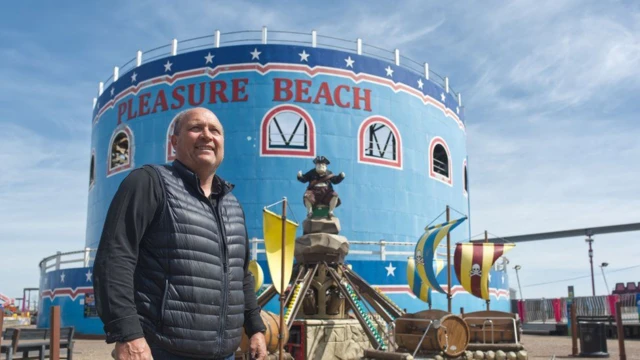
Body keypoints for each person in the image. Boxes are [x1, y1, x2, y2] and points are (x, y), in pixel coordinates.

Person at [93, 107, 267, 360]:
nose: (207, 135)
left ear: (222, 144)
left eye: (215, 131)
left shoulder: (232, 206)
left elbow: (240, 276)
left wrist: (255, 329)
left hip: (224, 354)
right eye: (196, 128)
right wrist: (127, 335)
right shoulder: (149, 183)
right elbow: (114, 259)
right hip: (161, 351)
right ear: (174, 142)